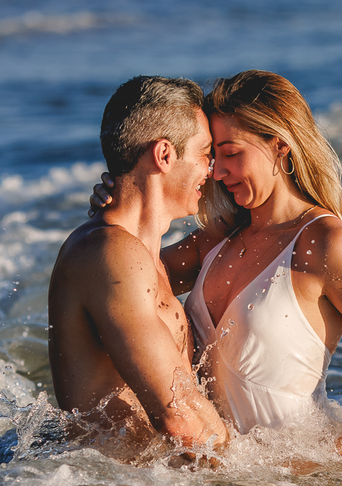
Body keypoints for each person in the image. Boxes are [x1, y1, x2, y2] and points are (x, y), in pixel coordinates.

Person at [90, 70, 342, 457]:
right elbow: (131, 280)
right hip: (213, 482)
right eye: (214, 157)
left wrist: (336, 463)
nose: (218, 172)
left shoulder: (329, 246)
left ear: (279, 145)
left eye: (232, 155)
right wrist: (120, 207)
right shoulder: (217, 239)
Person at [49, 75, 228, 456]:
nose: (211, 169)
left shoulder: (144, 256)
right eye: (204, 154)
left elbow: (248, 240)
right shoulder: (111, 253)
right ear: (164, 155)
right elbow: (178, 419)